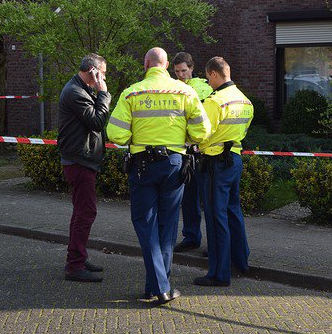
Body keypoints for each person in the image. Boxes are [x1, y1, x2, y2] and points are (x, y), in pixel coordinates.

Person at [106, 47, 210, 305]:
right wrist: (184, 137)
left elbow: (116, 134)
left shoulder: (132, 93)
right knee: (167, 225)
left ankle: (159, 287)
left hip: (142, 165)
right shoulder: (186, 92)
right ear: (166, 65)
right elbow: (202, 131)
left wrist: (137, 135)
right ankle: (157, 287)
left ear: (146, 64)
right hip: (174, 164)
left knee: (145, 223)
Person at [193, 56, 253, 287]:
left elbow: (201, 133)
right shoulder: (245, 101)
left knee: (215, 217)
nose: (208, 83)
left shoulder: (215, 101)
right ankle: (240, 261)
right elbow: (243, 131)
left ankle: (219, 273)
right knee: (233, 211)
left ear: (214, 74)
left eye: (208, 78)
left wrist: (193, 143)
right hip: (234, 159)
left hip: (215, 163)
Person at [58, 53, 111, 283]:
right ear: (93, 71)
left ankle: (78, 257)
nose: (104, 78)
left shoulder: (80, 89)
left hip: (81, 159)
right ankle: (75, 266)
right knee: (86, 212)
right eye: (103, 73)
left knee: (80, 212)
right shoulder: (75, 92)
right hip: (79, 161)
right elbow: (97, 122)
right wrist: (103, 93)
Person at [171, 52, 213, 253]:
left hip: (203, 152)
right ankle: (191, 237)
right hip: (184, 152)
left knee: (209, 199)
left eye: (184, 71)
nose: (181, 75)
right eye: (177, 71)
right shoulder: (172, 88)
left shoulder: (203, 88)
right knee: (188, 198)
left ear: (192, 68)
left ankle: (214, 243)